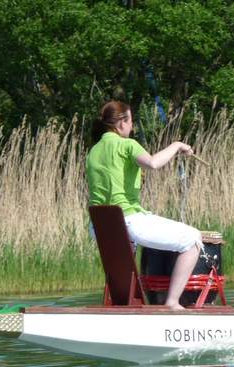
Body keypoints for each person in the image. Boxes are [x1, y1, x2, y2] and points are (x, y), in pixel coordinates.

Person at [86, 100, 201, 310]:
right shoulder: (127, 144)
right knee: (193, 240)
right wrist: (177, 145)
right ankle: (173, 303)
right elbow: (154, 163)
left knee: (129, 251)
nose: (132, 127)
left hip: (99, 227)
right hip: (127, 221)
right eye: (130, 122)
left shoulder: (93, 151)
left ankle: (123, 304)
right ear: (121, 123)